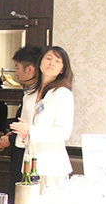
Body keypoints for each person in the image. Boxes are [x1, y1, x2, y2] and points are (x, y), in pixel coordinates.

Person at [10, 46, 74, 185]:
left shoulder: (63, 94)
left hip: (52, 165)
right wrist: (22, 134)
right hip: (29, 163)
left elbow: (63, 132)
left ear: (62, 69)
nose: (51, 63)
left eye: (57, 61)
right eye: (48, 58)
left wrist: (30, 131)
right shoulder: (29, 95)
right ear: (40, 63)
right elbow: (24, 132)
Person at [0, 45, 42, 203]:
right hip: (21, 149)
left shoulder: (42, 95)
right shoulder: (29, 92)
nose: (16, 72)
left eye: (17, 67)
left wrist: (11, 138)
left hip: (29, 153)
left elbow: (33, 126)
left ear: (30, 69)